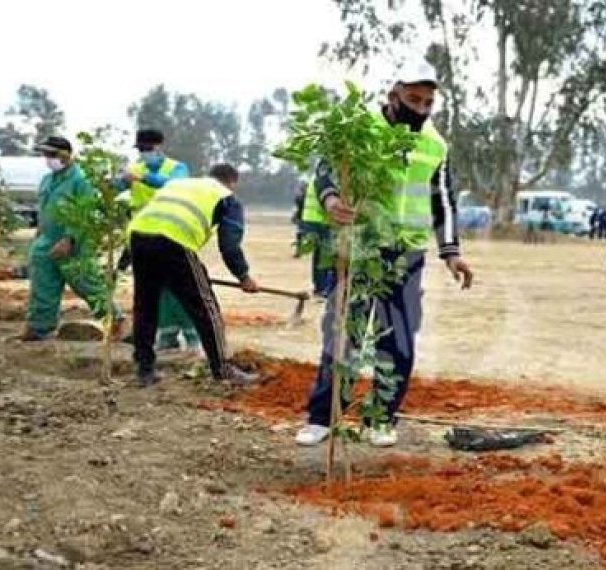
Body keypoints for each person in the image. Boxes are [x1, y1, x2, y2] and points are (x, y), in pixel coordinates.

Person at [295, 61, 474, 448]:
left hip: (406, 254)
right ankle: (323, 417)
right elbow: (326, 169)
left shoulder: (435, 144)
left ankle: (380, 417)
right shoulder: (360, 130)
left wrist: (451, 252)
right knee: (343, 332)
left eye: (428, 103)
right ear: (393, 95)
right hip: (360, 246)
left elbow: (441, 199)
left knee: (398, 339)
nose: (421, 109)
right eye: (413, 99)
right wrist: (330, 199)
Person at [127, 164, 260, 387]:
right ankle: (223, 369)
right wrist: (244, 276)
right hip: (175, 241)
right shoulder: (227, 197)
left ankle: (144, 370)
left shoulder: (179, 184)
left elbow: (152, 214)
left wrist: (124, 260)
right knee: (205, 307)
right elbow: (229, 245)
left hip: (138, 236)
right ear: (232, 182)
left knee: (145, 305)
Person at [19, 136, 124, 341]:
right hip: (46, 240)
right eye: (45, 154)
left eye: (52, 154)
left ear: (66, 155)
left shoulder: (80, 180)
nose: (48, 159)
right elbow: (44, 209)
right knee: (42, 284)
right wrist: (39, 234)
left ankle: (115, 319)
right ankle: (39, 327)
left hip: (73, 242)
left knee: (85, 282)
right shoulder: (47, 180)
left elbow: (85, 212)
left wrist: (70, 239)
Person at [119, 129, 199, 355]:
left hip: (170, 235)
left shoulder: (176, 168)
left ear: (159, 147)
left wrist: (143, 178)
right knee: (153, 290)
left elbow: (174, 185)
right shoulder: (134, 169)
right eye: (141, 149)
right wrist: (120, 181)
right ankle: (166, 335)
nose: (144, 154)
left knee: (178, 287)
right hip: (142, 237)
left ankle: (192, 336)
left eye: (148, 149)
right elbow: (118, 188)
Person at [299, 180, 336, 299]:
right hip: (320, 221)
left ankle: (320, 288)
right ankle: (322, 288)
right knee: (324, 256)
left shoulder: (319, 174)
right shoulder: (326, 174)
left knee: (320, 256)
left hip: (312, 219)